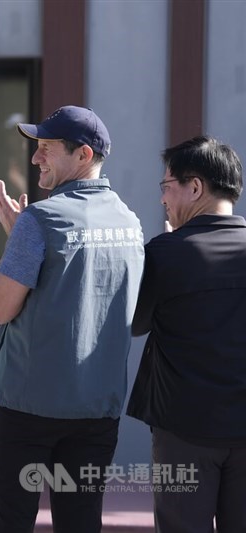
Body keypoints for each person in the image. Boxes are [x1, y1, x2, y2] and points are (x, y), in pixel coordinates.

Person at [0, 105, 144, 532]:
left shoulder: (40, 218)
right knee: (81, 522)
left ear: (83, 155)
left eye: (47, 149)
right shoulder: (130, 223)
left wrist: (15, 242)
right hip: (96, 409)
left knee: (10, 522)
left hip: (25, 407)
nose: (36, 158)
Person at [126, 136, 246, 533]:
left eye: (166, 186)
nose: (163, 198)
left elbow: (136, 323)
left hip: (184, 429)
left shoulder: (166, 252)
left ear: (194, 187)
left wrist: (167, 249)